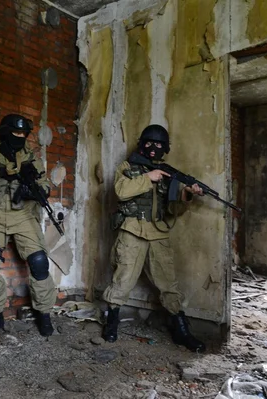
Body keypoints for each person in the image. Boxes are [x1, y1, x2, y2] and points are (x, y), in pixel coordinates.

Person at [102, 124, 207, 352]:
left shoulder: (168, 174)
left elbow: (173, 211)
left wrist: (187, 194)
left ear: (165, 148)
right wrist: (148, 177)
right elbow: (120, 191)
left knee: (168, 284)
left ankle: (181, 330)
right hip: (131, 230)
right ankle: (111, 322)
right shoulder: (127, 167)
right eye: (149, 143)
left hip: (158, 232)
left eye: (159, 144)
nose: (153, 148)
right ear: (141, 144)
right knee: (123, 280)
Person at [0, 114, 56, 336]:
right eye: (16, 133)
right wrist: (1, 172)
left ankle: (44, 314)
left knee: (39, 262)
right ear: (5, 132)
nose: (20, 137)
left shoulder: (31, 157)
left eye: (24, 134)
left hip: (23, 215)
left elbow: (45, 184)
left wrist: (34, 191)